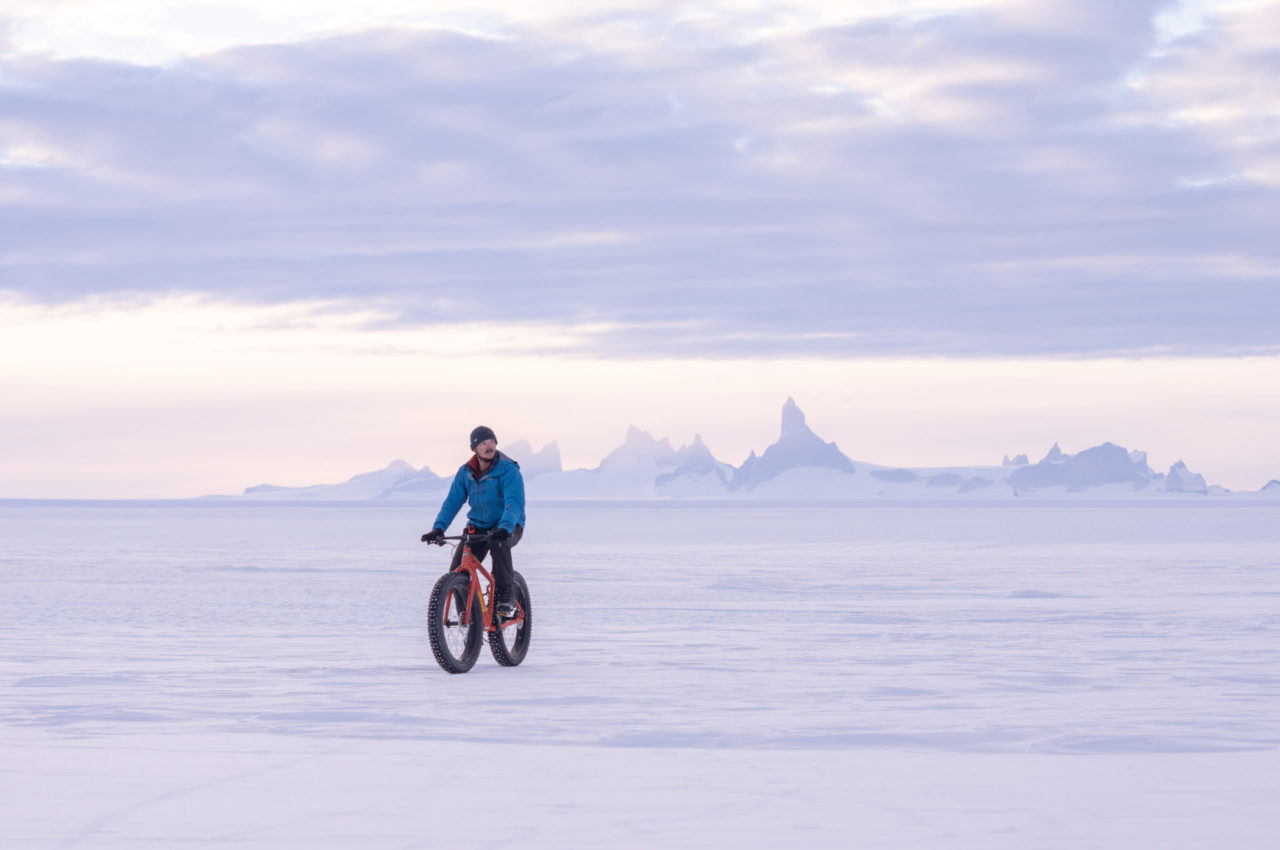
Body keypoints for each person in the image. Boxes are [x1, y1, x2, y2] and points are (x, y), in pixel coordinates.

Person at [422, 426, 526, 617]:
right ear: (475, 448)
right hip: (478, 526)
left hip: (508, 524)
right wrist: (438, 528)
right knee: (457, 570)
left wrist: (505, 527)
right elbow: (452, 502)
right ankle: (468, 618)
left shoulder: (508, 469)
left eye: (492, 442)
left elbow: (515, 502)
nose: (490, 446)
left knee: (499, 544)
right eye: (484, 443)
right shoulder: (465, 472)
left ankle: (505, 596)